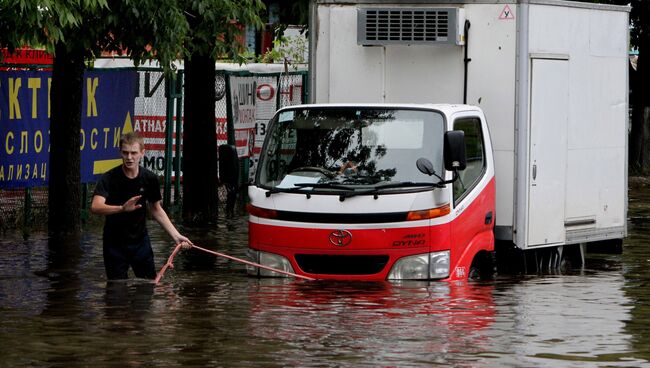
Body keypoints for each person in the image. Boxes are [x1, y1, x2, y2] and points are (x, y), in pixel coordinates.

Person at [91, 132, 192, 281]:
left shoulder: (149, 179)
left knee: (148, 287)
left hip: (140, 243)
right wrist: (121, 208)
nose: (129, 157)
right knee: (116, 292)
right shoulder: (109, 178)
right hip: (114, 244)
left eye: (133, 153)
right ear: (120, 152)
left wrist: (176, 236)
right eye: (125, 153)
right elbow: (95, 206)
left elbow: (156, 209)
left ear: (142, 153)